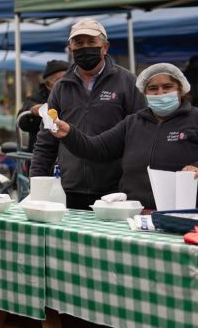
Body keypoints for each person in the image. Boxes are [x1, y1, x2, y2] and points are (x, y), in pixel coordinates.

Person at [54, 63, 198, 328]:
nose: (161, 93)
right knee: (155, 285)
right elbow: (98, 149)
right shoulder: (132, 123)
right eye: (153, 89)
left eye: (167, 87)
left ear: (181, 89)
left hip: (190, 217)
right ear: (144, 93)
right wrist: (71, 135)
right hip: (144, 218)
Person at [30, 18, 146, 211]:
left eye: (91, 42)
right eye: (79, 43)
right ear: (70, 48)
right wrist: (36, 186)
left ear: (105, 47)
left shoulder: (127, 83)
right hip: (69, 189)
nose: (85, 48)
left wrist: (134, 184)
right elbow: (45, 142)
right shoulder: (60, 87)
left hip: (115, 192)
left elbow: (140, 137)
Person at [17, 59, 69, 152]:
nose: (65, 83)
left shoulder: (77, 96)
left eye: (68, 78)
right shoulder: (37, 98)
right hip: (41, 153)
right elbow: (23, 120)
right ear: (48, 84)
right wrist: (33, 109)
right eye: (59, 80)